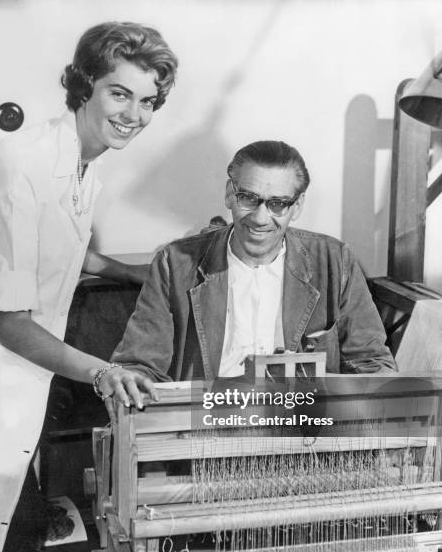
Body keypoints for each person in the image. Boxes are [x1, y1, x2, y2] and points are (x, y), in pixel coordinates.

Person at [0, 22, 176, 552]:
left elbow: (53, 246)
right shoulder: (18, 170)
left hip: (12, 364)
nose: (134, 114)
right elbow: (12, 325)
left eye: (147, 100)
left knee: (0, 534)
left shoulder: (82, 160)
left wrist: (125, 270)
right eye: (119, 93)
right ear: (85, 86)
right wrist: (102, 372)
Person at [102, 140, 396, 403]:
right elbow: (139, 366)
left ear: (297, 206)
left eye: (278, 204)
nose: (260, 217)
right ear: (230, 194)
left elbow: (373, 365)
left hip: (303, 437)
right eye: (248, 198)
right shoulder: (175, 263)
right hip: (201, 436)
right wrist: (133, 383)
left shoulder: (336, 262)